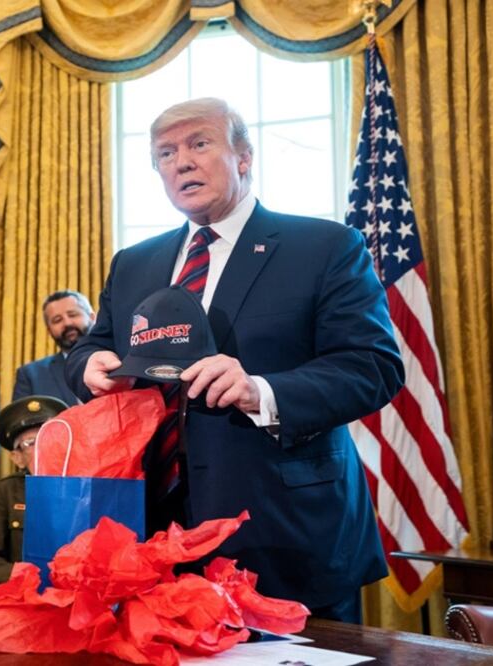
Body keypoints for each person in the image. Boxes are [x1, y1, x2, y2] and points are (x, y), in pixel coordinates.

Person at [65, 98, 405, 623]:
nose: (181, 161)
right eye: (165, 153)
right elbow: (95, 345)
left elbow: (373, 366)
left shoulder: (324, 246)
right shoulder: (134, 263)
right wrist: (87, 364)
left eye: (199, 143)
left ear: (243, 158)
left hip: (283, 536)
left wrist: (259, 390)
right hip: (155, 538)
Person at [0, 395, 67, 585]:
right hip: (25, 596)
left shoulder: (85, 485)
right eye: (31, 442)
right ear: (17, 457)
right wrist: (20, 573)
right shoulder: (5, 491)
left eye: (49, 436)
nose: (44, 446)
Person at [12, 290, 94, 406]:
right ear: (49, 330)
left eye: (73, 314)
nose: (67, 323)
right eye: (57, 320)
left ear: (92, 317)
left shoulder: (119, 358)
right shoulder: (30, 375)